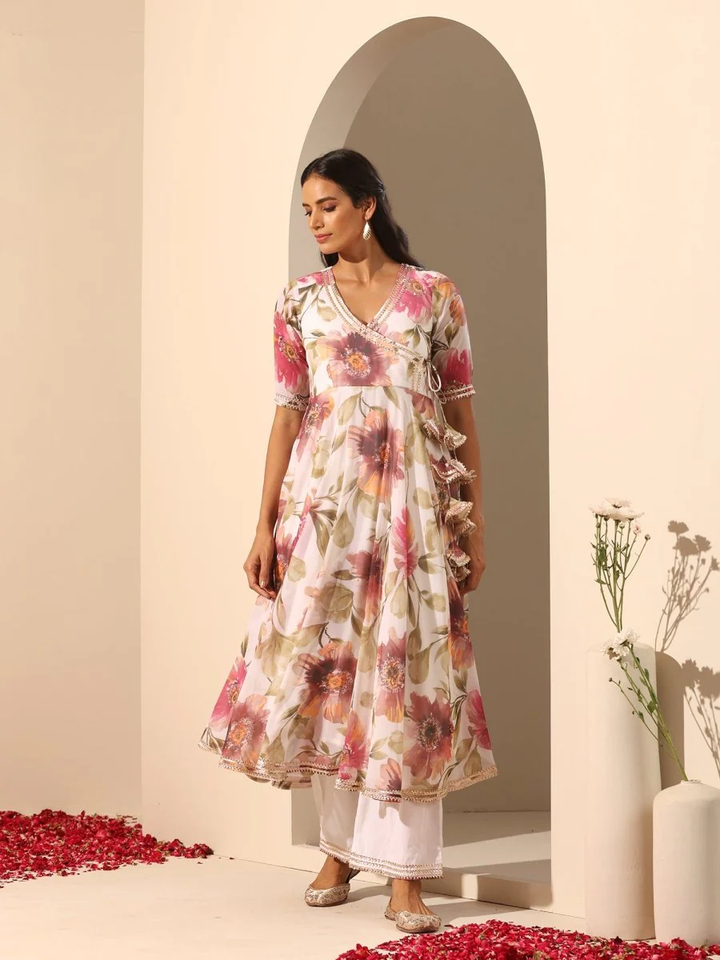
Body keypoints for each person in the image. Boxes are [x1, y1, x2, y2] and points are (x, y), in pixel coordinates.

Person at [198, 147, 497, 934]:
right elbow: (287, 414)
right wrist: (263, 525)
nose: (315, 221)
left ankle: (406, 875)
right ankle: (339, 850)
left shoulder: (435, 295)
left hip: (411, 517)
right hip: (323, 514)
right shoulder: (299, 302)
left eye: (327, 205)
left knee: (406, 678)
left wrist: (476, 521)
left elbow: (462, 414)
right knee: (331, 673)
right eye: (307, 210)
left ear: (367, 205)